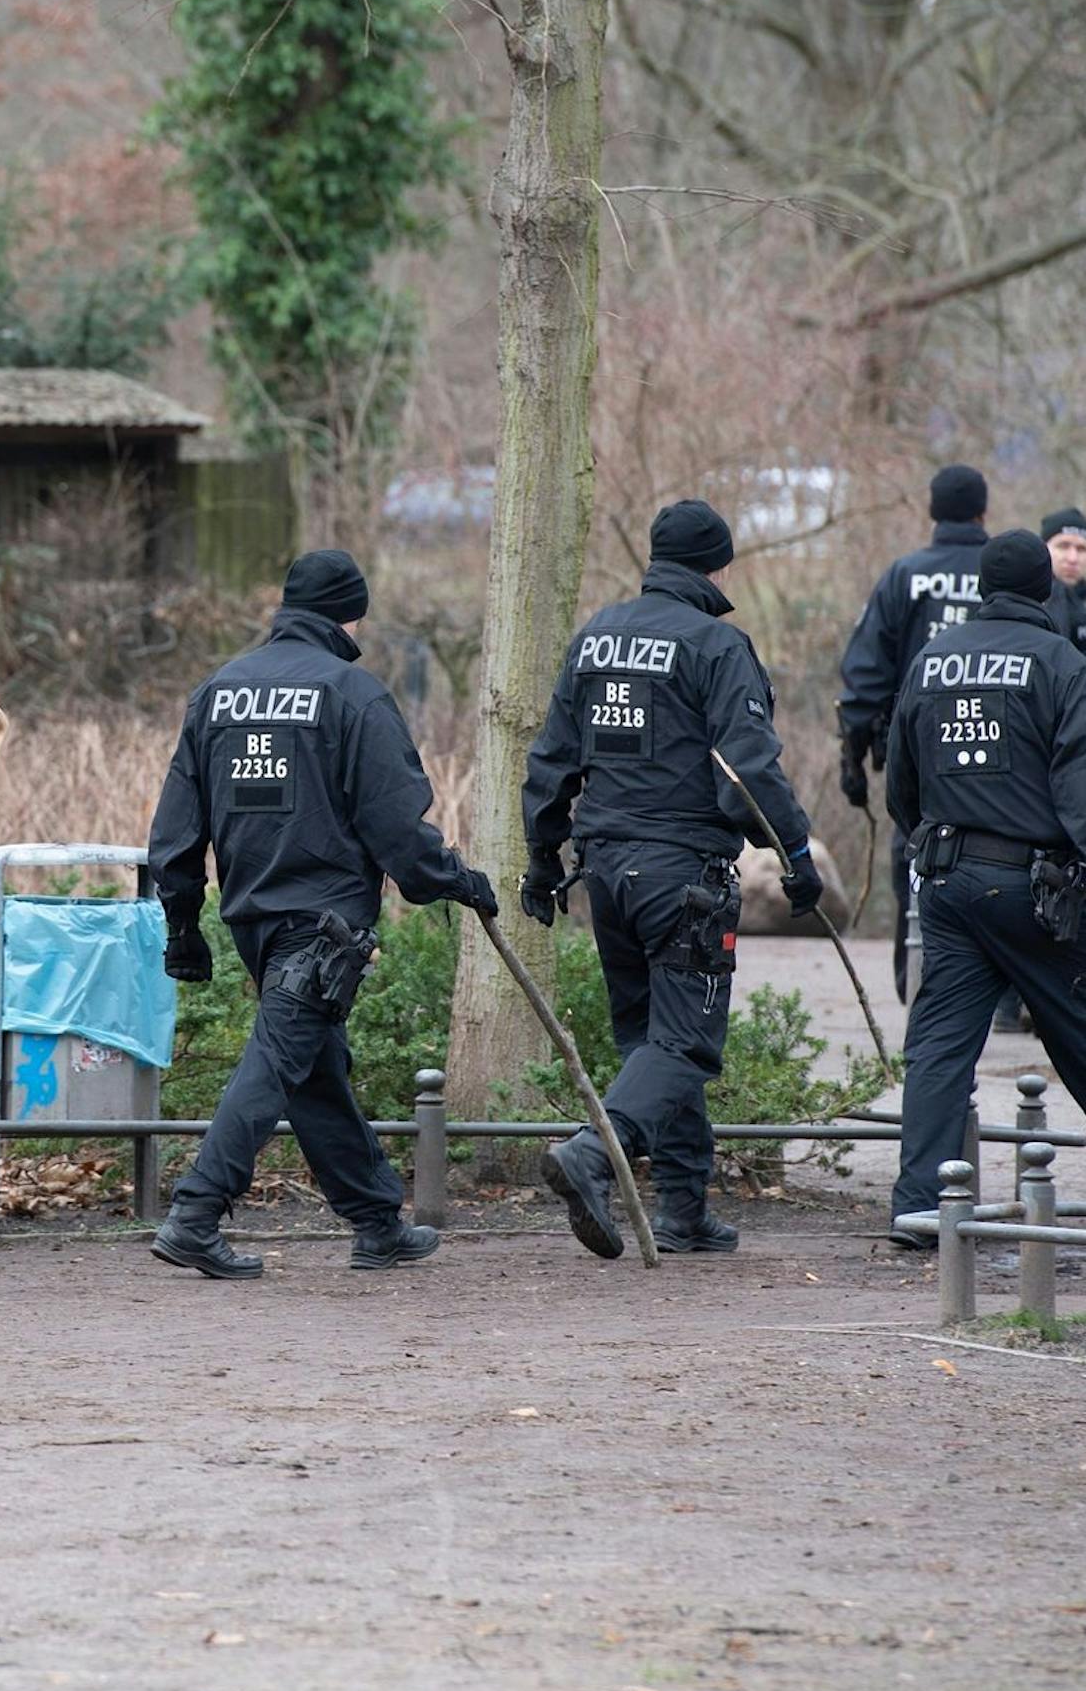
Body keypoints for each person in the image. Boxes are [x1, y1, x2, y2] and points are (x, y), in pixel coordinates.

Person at [146, 549, 497, 1280]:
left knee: (312, 1067)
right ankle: (195, 1212)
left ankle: (375, 1221)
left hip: (252, 918)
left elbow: (176, 829)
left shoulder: (218, 692)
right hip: (325, 926)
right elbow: (397, 828)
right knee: (280, 1060)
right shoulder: (351, 694)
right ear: (351, 613)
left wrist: (183, 926)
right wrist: (455, 879)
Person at [520, 500, 820, 1260]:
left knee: (651, 1042)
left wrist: (540, 858)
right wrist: (796, 856)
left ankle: (683, 1210)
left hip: (606, 875)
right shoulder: (717, 644)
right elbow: (747, 770)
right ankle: (594, 1154)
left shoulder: (595, 636)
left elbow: (553, 759)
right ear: (717, 566)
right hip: (680, 875)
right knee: (684, 1046)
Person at [883, 530, 1086, 1245]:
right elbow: (1079, 788)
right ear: (1044, 589)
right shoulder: (1062, 663)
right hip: (1035, 889)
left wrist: (934, 841)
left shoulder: (932, 661)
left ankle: (921, 1207)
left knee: (939, 1046)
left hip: (946, 882)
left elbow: (900, 785)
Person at [837, 464, 989, 1003]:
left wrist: (852, 759)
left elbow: (864, 678)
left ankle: (918, 987)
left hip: (921, 755)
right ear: (983, 512)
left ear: (932, 511)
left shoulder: (904, 576)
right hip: (1003, 755)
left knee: (918, 862)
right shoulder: (1007, 574)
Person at [1040, 506, 1086, 654]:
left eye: (1081, 549)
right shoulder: (1027, 599)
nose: (1072, 558)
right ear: (1044, 548)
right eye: (1063, 546)